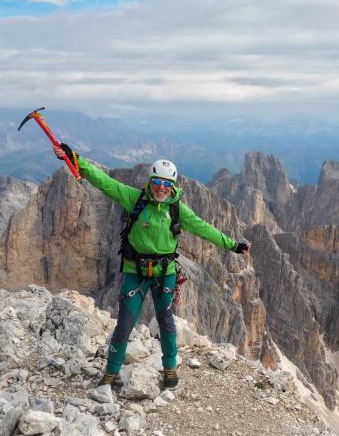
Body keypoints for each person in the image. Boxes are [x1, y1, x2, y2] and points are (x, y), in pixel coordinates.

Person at [53, 144, 249, 389]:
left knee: (165, 321)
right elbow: (104, 182)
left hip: (164, 274)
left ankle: (169, 370)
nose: (161, 187)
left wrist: (231, 245)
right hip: (135, 271)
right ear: (150, 180)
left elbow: (204, 228)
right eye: (157, 181)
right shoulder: (135, 198)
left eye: (167, 184)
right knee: (124, 323)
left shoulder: (178, 210)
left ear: (173, 185)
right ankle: (111, 373)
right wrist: (76, 159)